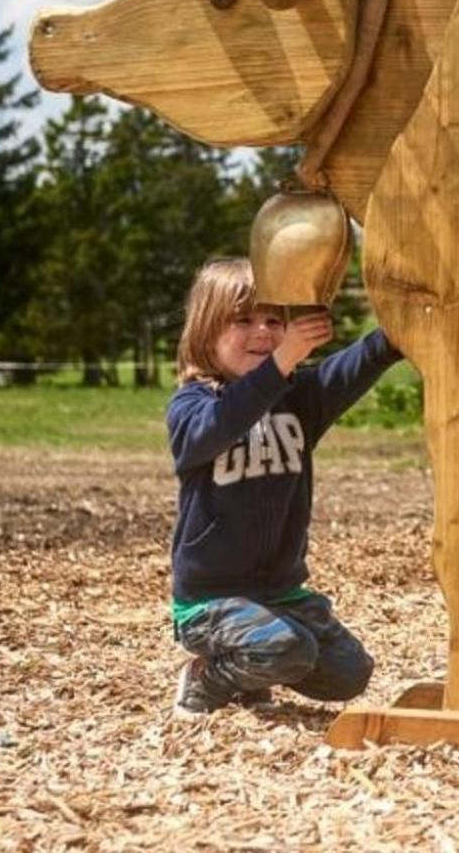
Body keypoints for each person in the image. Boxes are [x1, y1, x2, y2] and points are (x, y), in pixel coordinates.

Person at [167, 257, 402, 716]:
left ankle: (254, 665)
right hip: (209, 602)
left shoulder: (300, 400)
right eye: (243, 319)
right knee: (289, 650)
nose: (263, 331)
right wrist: (281, 362)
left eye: (274, 320)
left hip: (281, 593)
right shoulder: (192, 407)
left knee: (350, 673)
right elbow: (220, 424)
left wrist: (398, 330)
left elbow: (362, 360)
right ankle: (206, 677)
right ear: (205, 331)